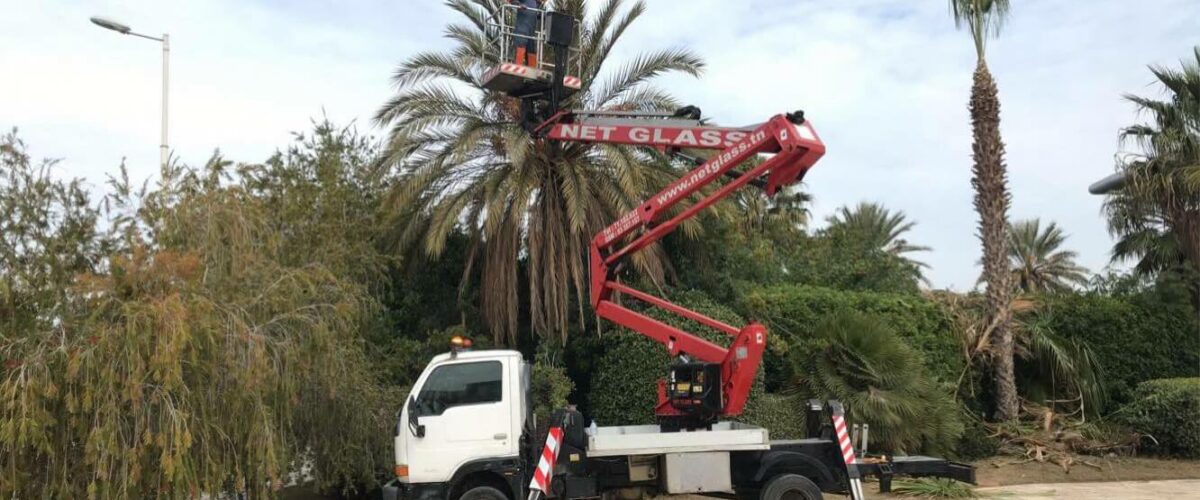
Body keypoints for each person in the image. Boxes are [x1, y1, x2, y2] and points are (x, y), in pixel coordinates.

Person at [510, 0, 543, 67]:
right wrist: (519, 4)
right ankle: (518, 65)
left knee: (531, 49)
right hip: (522, 28)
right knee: (520, 44)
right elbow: (512, 1)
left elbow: (539, 13)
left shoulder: (536, 2)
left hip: (531, 31)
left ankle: (532, 67)